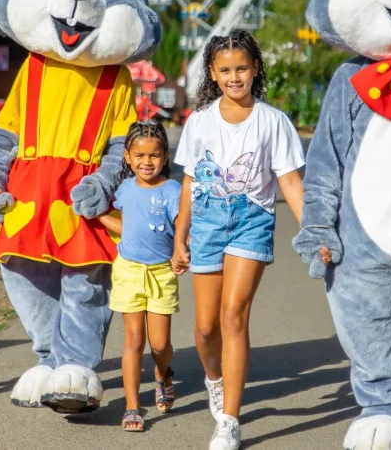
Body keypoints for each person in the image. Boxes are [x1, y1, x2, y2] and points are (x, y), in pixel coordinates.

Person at [171, 30, 306, 450]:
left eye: (242, 68)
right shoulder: (200, 122)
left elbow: (288, 180)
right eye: (225, 70)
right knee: (205, 327)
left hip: (253, 219)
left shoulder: (274, 121)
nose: (235, 77)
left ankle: (229, 419)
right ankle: (215, 379)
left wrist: (314, 230)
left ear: (255, 70)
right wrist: (181, 236)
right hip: (207, 222)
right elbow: (190, 182)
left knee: (233, 316)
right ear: (212, 73)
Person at [96, 121, 182, 432]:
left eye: (154, 155)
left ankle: (163, 374)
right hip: (128, 271)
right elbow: (129, 225)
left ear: (166, 156)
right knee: (134, 341)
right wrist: (100, 216)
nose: (147, 162)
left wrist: (182, 252)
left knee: (159, 344)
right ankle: (133, 407)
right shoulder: (122, 189)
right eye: (140, 155)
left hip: (161, 273)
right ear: (128, 158)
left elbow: (181, 232)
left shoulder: (174, 191)